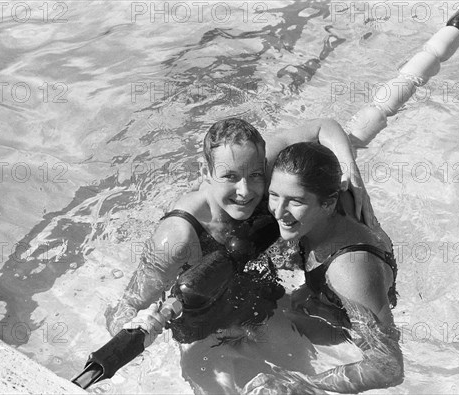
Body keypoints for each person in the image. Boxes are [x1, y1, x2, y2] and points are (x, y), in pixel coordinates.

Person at [104, 117, 373, 393]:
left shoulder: (256, 164)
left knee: (301, 383)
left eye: (255, 176)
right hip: (203, 332)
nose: (245, 191)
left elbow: (323, 127)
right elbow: (127, 306)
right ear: (205, 171)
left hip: (257, 307)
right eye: (230, 177)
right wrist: (141, 326)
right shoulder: (177, 237)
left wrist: (352, 173)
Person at [242, 142, 403, 394]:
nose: (279, 211)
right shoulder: (323, 199)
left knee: (259, 327)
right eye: (274, 195)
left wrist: (303, 384)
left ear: (328, 204)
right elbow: (322, 128)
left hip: (345, 317)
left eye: (295, 201)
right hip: (324, 287)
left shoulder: (349, 270)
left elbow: (388, 366)